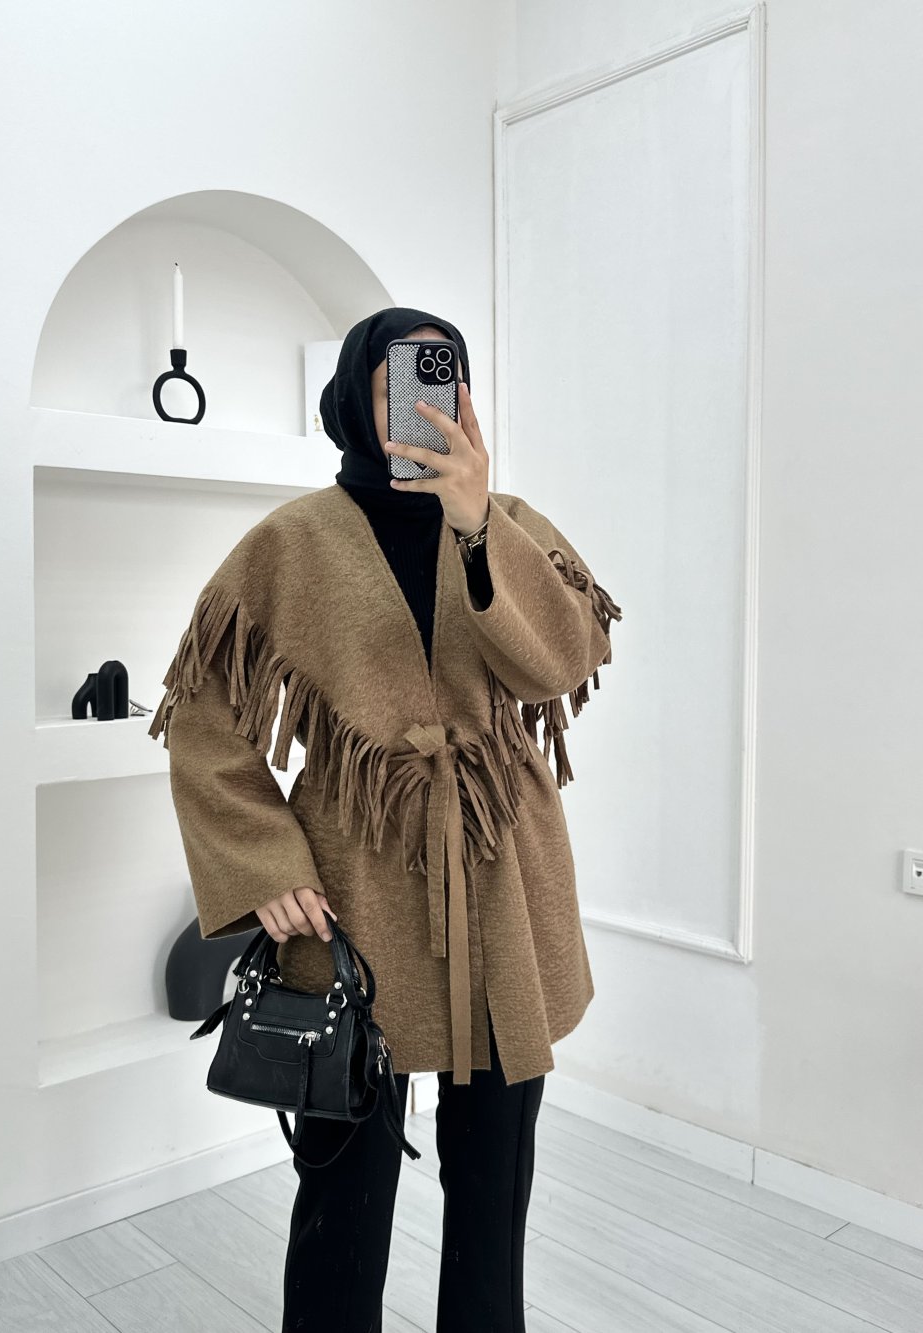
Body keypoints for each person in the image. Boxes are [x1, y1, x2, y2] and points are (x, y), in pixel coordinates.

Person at [149, 307, 622, 1331]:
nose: (429, 405)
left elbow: (563, 662)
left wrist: (477, 525)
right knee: (342, 1183)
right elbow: (202, 712)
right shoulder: (290, 543)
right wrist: (261, 860)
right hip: (352, 883)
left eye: (446, 379)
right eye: (400, 383)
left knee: (494, 1176)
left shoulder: (513, 521)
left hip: (501, 873)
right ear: (357, 399)